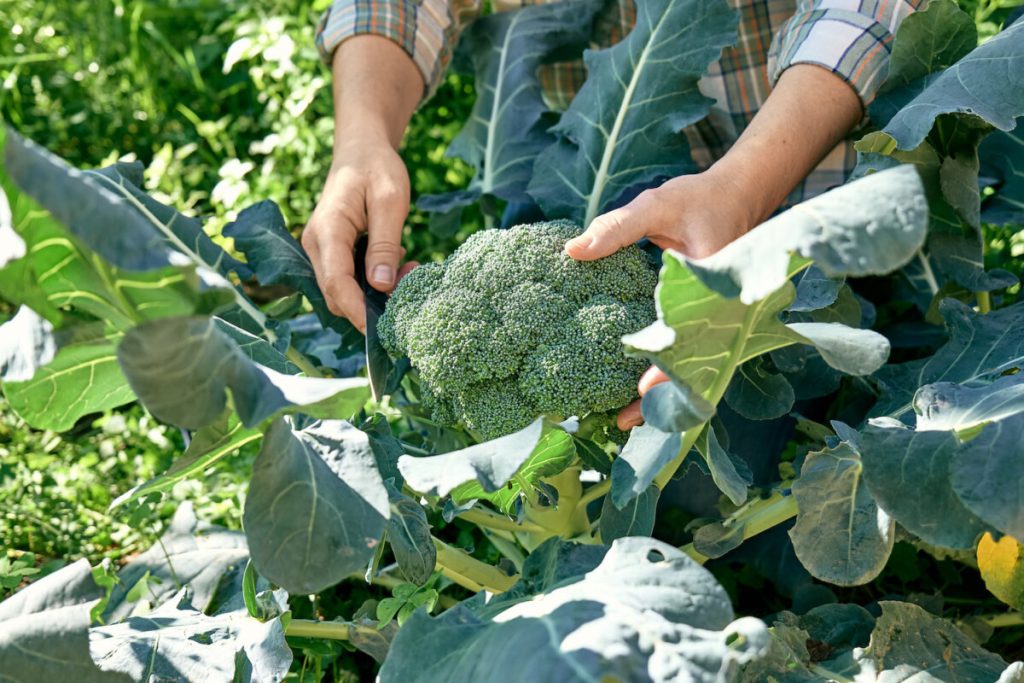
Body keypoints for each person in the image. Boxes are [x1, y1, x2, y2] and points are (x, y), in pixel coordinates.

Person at [302, 0, 921, 428]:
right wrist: (362, 141)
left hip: (812, 166)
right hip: (597, 174)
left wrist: (741, 188)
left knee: (764, 437)